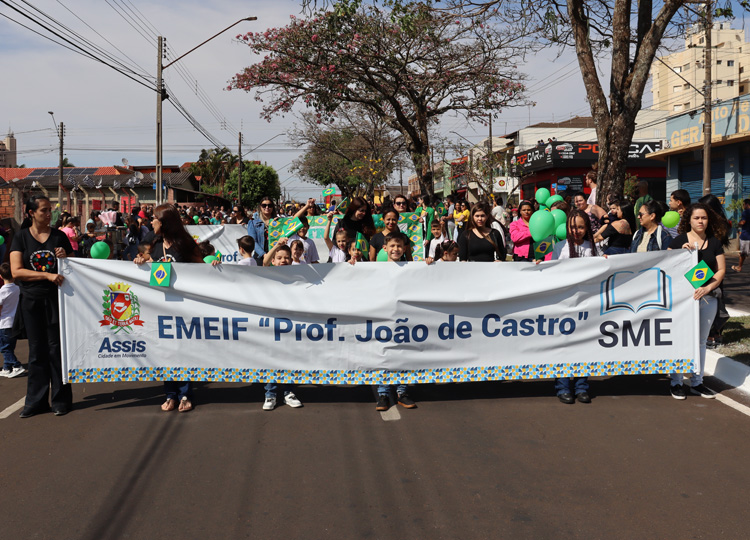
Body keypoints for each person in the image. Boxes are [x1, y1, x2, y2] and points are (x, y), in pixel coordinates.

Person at [134, 204, 204, 413]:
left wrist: (212, 264)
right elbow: (142, 258)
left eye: (154, 219)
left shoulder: (185, 243)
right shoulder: (152, 242)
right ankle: (170, 395)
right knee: (164, 351)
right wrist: (140, 260)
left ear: (164, 222)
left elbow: (201, 266)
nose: (151, 222)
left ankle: (185, 394)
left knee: (182, 350)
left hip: (182, 307)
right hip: (159, 307)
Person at [10, 195, 74, 418]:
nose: (49, 214)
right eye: (44, 210)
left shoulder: (59, 237)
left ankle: (61, 400)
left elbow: (75, 269)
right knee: (37, 352)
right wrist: (46, 275)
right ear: (31, 213)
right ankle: (35, 402)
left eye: (50, 210)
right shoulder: (20, 238)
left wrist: (66, 258)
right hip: (31, 302)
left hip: (57, 301)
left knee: (57, 350)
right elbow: (16, 271)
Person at [667, 203, 726, 399]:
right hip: (682, 301)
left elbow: (721, 270)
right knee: (679, 340)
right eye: (696, 218)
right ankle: (676, 382)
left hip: (708, 299)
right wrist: (678, 255)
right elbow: (665, 267)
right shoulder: (678, 241)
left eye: (704, 218)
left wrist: (709, 288)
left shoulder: (715, 243)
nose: (700, 221)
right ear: (689, 220)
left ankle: (697, 382)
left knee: (700, 341)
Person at [549, 209, 599, 403]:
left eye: (580, 226)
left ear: (586, 228)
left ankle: (581, 386)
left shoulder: (593, 248)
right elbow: (550, 273)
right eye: (572, 227)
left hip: (586, 306)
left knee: (583, 346)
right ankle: (562, 386)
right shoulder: (560, 247)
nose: (576, 230)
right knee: (563, 346)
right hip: (563, 306)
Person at [372, 231, 417, 411]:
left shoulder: (411, 267)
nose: (396, 249)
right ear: (385, 248)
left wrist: (430, 264)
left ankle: (402, 392)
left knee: (403, 355)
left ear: (404, 248)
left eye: (399, 246)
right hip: (383, 318)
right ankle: (383, 393)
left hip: (404, 320)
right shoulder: (376, 268)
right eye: (392, 246)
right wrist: (352, 264)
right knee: (383, 355)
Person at [262, 244, 303, 411]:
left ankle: (289, 393)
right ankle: (270, 394)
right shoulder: (269, 273)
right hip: (272, 324)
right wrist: (276, 246)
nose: (283, 261)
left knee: (289, 358)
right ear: (274, 260)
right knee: (271, 359)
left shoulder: (298, 274)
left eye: (286, 257)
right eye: (279, 258)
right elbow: (264, 263)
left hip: (291, 325)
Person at [0, 263, 24, 378]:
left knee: (4, 348)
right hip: (15, 322)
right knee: (9, 347)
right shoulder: (18, 289)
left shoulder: (2, 291)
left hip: (4, 323)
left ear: (1, 276)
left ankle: (16, 365)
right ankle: (6, 368)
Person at [733, 199, 750, 272]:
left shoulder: (746, 212)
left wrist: (738, 225)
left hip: (746, 236)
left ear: (747, 204)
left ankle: (739, 267)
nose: (743, 206)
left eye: (744, 204)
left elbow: (743, 222)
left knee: (743, 254)